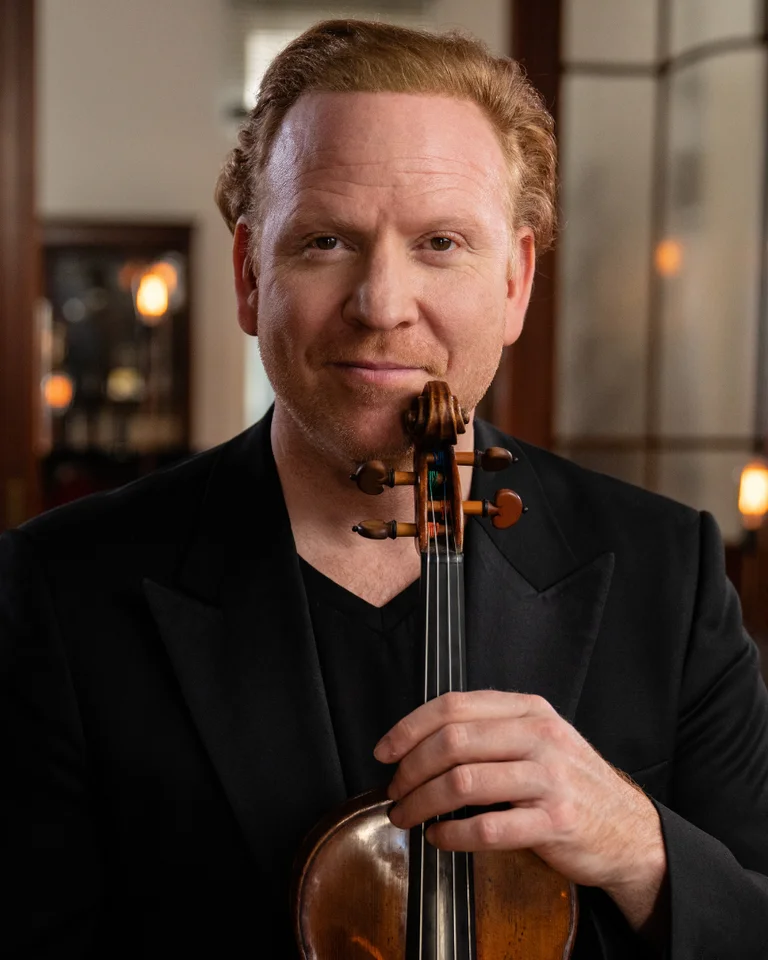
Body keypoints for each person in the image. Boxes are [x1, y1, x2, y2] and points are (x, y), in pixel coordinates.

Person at [2, 18, 767, 959]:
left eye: (441, 242)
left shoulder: (668, 574)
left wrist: (636, 844)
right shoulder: (63, 589)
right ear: (249, 274)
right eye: (325, 240)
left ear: (517, 283)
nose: (382, 304)